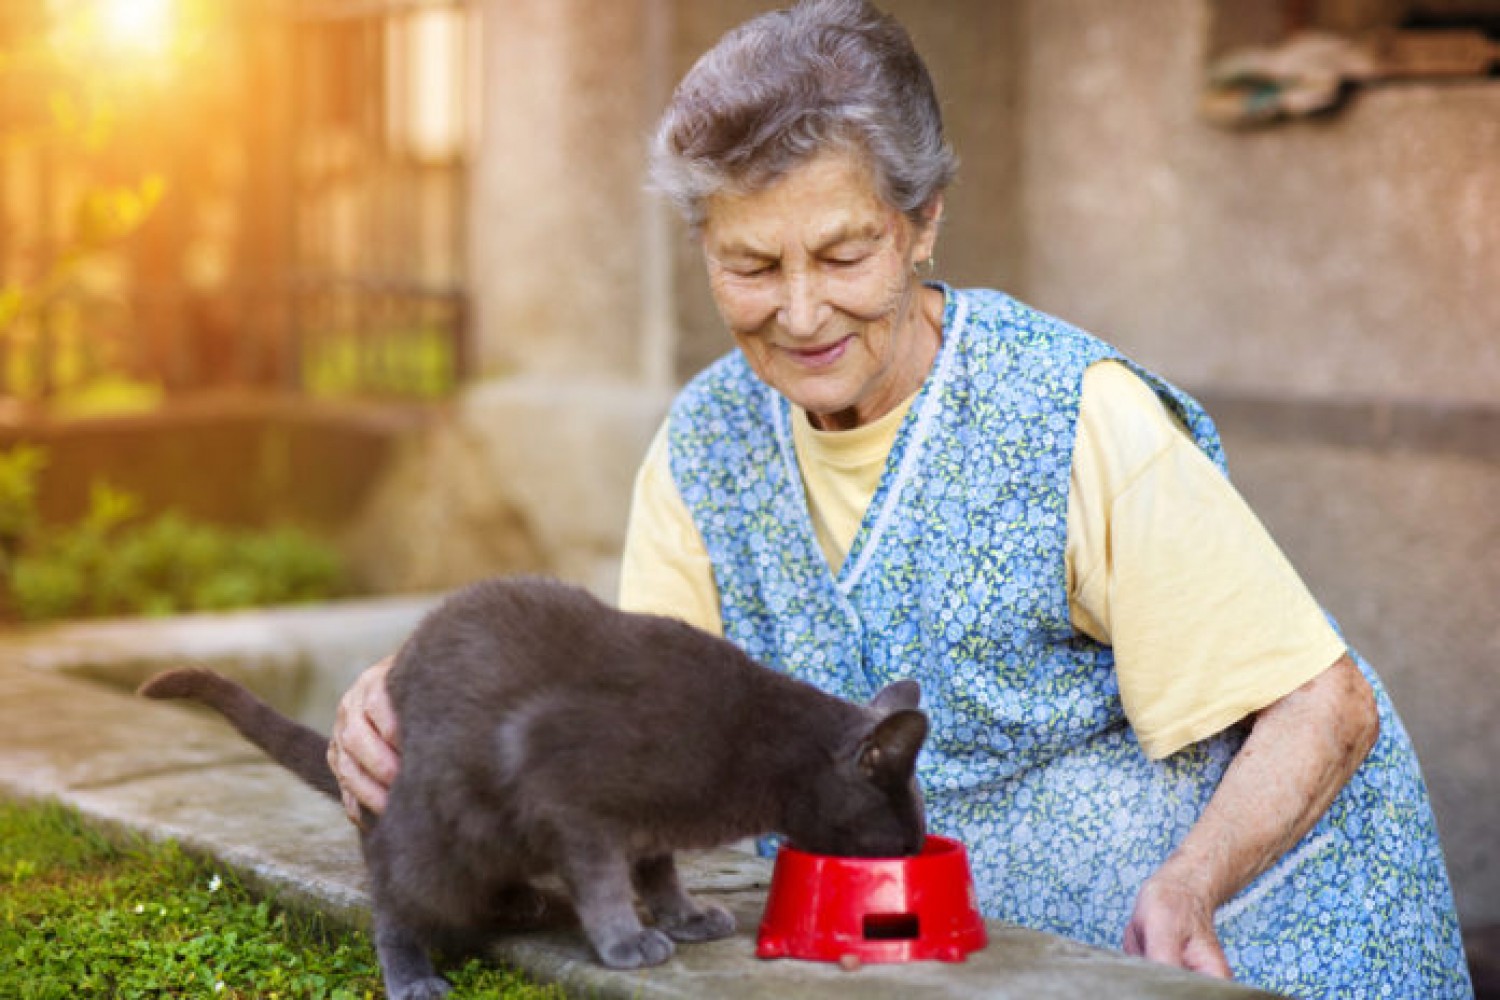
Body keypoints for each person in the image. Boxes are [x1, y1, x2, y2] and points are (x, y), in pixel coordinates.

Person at [327, 1, 1472, 995]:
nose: (802, 311)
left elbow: (1325, 708)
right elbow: (614, 710)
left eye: (843, 253)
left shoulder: (1076, 415)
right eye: (751, 264)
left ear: (922, 222)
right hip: (934, 957)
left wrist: (1189, 886)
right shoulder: (703, 448)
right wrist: (420, 700)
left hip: (1239, 942)